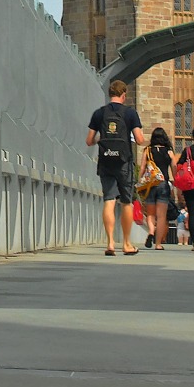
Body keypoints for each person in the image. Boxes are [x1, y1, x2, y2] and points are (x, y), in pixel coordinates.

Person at [87, 75, 146, 255]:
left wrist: (102, 139)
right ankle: (126, 244)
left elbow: (89, 141)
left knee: (109, 200)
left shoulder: (99, 113)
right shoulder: (130, 113)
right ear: (123, 95)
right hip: (124, 162)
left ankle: (110, 243)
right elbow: (140, 139)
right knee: (126, 202)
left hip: (105, 161)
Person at [142, 126, 177, 247]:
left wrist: (139, 182)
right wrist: (176, 181)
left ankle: (151, 231)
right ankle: (158, 243)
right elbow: (174, 167)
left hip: (150, 184)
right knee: (162, 216)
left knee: (150, 214)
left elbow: (142, 168)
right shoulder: (169, 151)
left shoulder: (147, 150)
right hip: (163, 184)